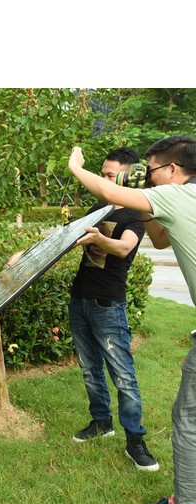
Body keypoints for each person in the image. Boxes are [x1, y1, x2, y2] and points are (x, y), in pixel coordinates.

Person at [68, 135, 196, 504]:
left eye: (153, 170)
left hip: (110, 302)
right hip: (84, 298)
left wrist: (76, 165)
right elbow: (159, 239)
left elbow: (126, 238)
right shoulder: (181, 200)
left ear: (173, 170)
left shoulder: (176, 195)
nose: (149, 178)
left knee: (187, 419)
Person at [69, 147, 159, 472]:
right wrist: (24, 255)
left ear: (127, 175)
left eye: (109, 175)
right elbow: (64, 237)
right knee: (89, 369)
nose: (103, 180)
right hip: (79, 300)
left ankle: (135, 441)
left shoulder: (135, 215)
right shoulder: (98, 208)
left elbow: (123, 248)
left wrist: (101, 241)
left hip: (108, 305)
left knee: (122, 375)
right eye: (102, 173)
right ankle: (101, 423)